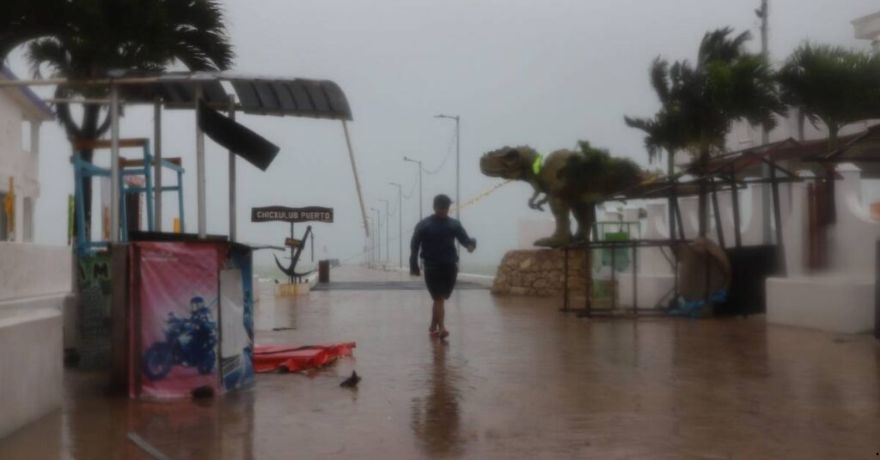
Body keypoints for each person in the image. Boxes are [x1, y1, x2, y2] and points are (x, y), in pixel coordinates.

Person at [410, 194, 476, 339]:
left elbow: (465, 240)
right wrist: (413, 264)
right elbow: (414, 245)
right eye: (442, 208)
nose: (444, 210)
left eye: (446, 208)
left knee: (440, 298)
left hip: (450, 266)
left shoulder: (454, 224)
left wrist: (471, 245)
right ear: (435, 208)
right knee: (438, 298)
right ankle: (442, 328)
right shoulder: (424, 225)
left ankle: (433, 325)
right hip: (432, 266)